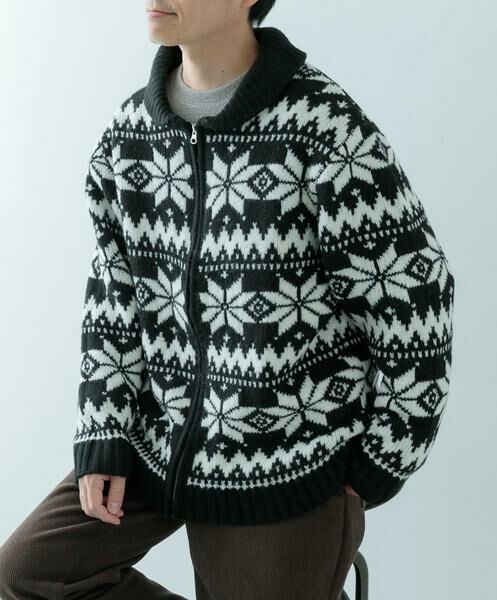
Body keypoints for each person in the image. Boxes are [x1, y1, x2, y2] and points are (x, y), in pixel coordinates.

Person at [0, 0, 455, 598]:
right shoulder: (129, 136)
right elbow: (114, 295)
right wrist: (103, 427)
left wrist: (386, 452)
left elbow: (416, 291)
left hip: (286, 454)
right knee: (30, 576)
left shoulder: (323, 127)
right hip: (159, 438)